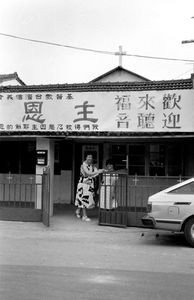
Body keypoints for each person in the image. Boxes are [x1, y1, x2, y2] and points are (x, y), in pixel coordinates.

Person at [75, 154, 105, 221]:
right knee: (84, 200)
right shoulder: (83, 165)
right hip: (83, 184)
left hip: (89, 185)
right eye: (88, 157)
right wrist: (98, 171)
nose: (90, 159)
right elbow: (88, 173)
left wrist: (102, 170)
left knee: (83, 200)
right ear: (86, 157)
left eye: (91, 158)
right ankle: (84, 216)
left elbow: (96, 173)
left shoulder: (92, 166)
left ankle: (78, 211)